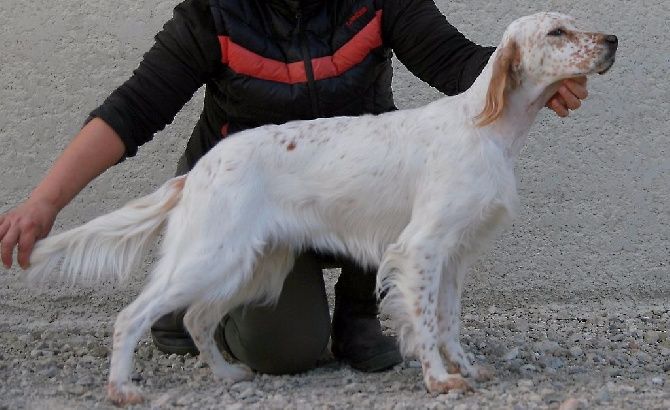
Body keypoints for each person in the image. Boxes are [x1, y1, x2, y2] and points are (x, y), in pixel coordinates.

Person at [0, 0, 588, 375]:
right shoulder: (214, 14)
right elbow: (132, 110)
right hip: (251, 190)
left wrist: (535, 75)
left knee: (395, 205)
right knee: (284, 353)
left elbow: (459, 61)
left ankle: (361, 316)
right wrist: (46, 200)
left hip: (358, 194)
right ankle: (188, 301)